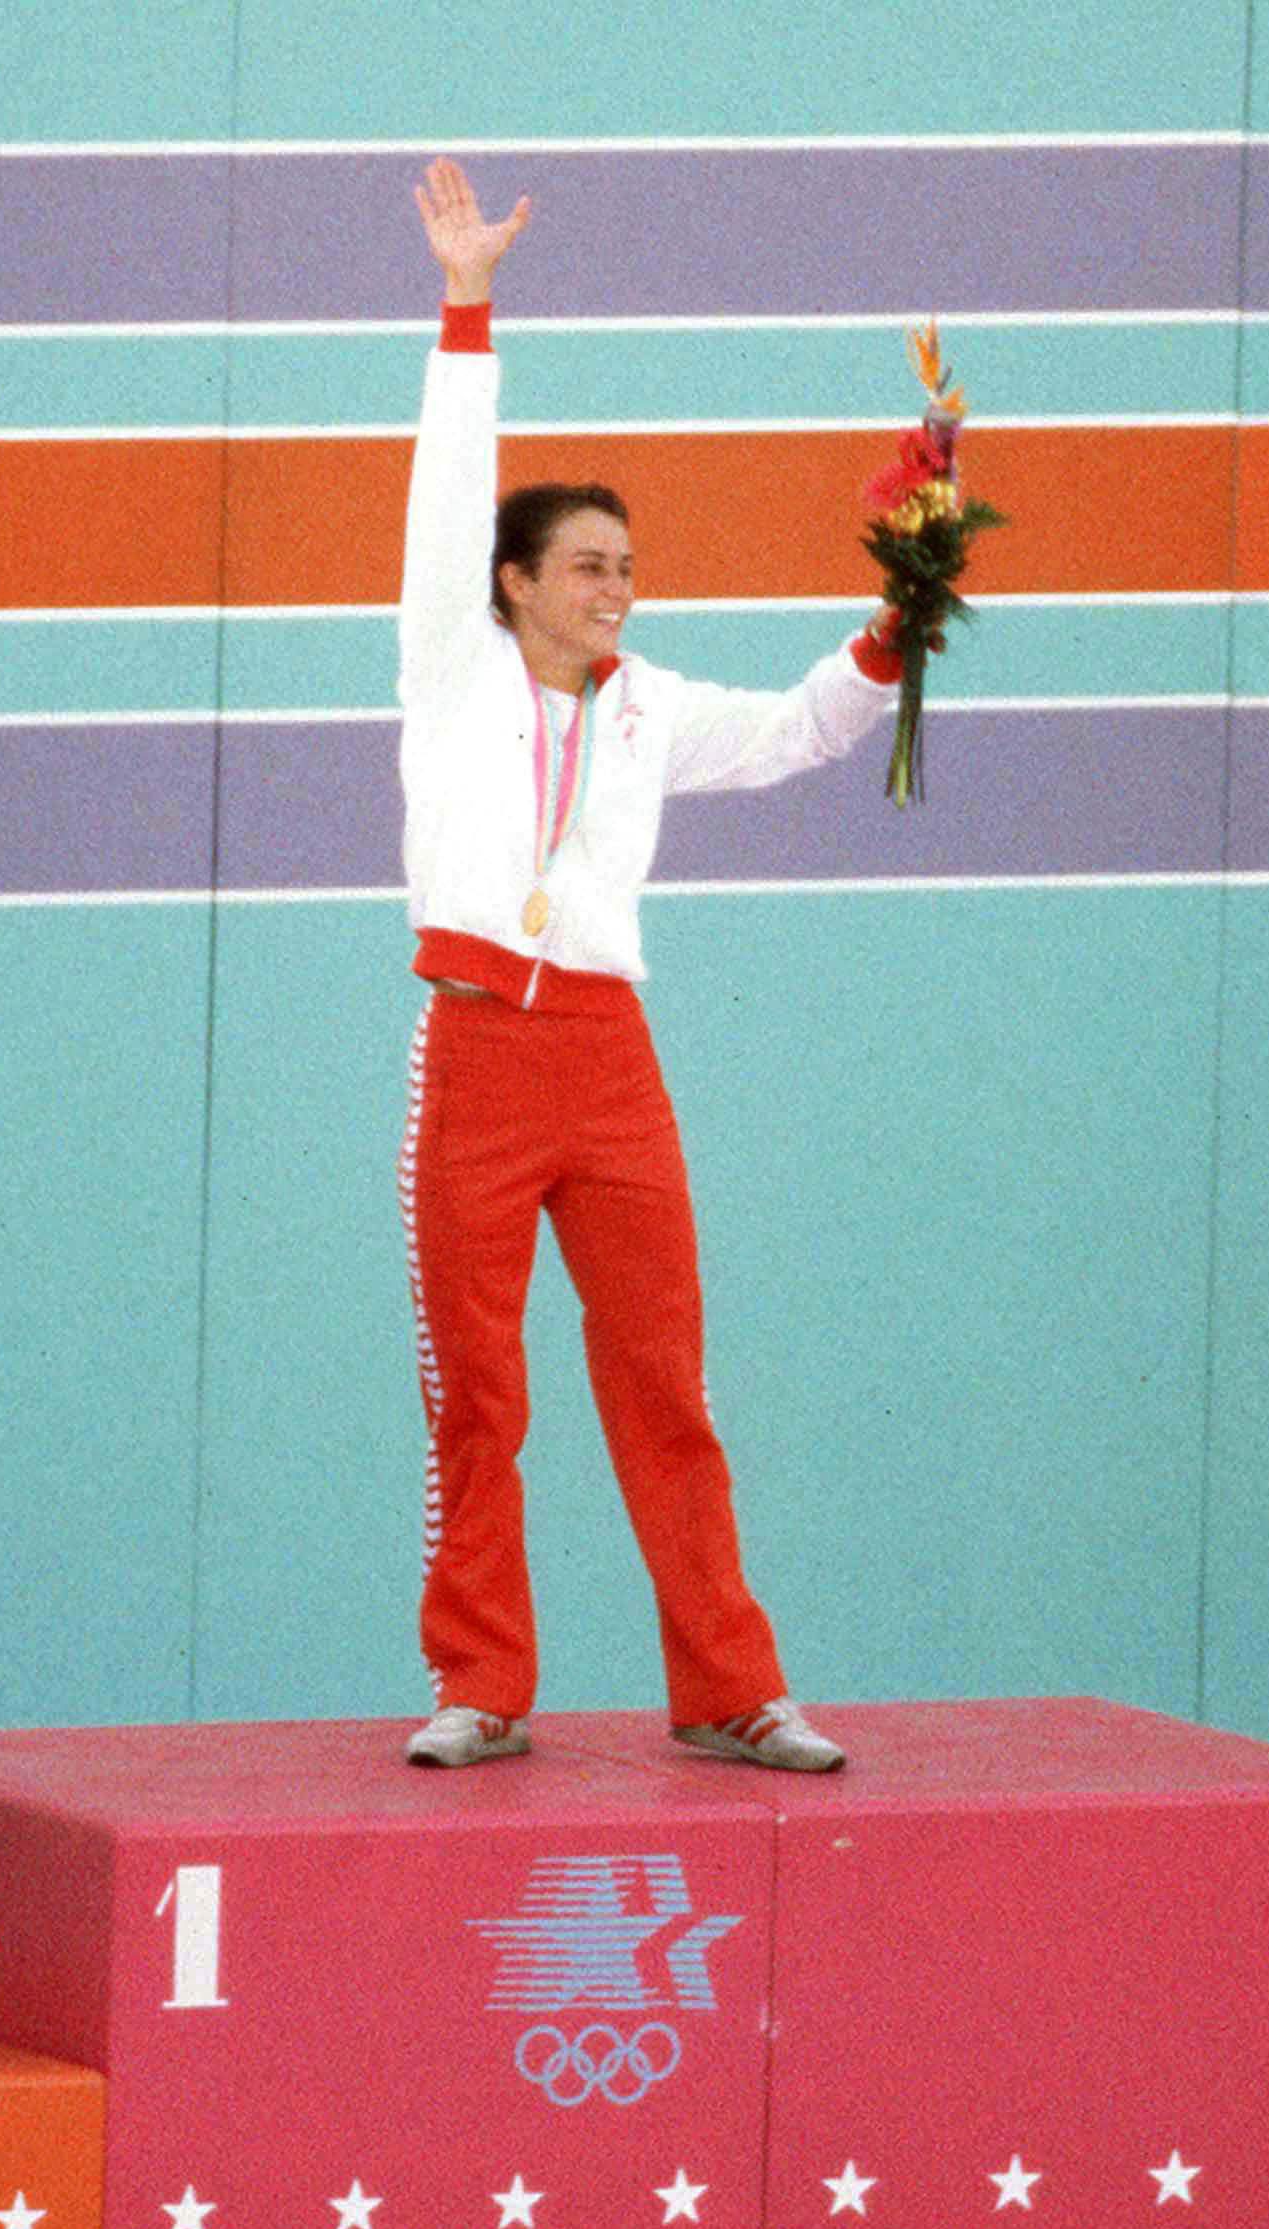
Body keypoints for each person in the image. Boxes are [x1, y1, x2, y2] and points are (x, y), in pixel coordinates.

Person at [394, 158, 898, 1773]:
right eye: (587, 565)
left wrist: (893, 634)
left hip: (611, 1061)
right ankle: (482, 1684)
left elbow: (804, 731)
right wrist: (468, 309)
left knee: (665, 1385)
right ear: (514, 584)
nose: (616, 588)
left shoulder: (654, 707)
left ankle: (730, 1684)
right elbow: (448, 494)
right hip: (476, 1048)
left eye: (627, 565)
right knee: (481, 1393)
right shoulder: (452, 670)